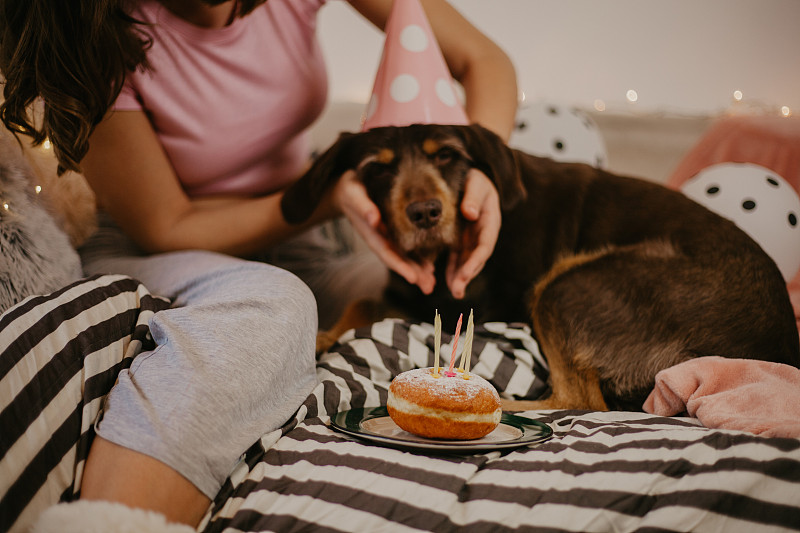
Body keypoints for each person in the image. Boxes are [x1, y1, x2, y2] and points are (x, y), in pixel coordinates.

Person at [0, 0, 518, 529]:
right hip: (162, 245)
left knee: (410, 293)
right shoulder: (97, 31)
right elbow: (167, 224)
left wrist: (484, 170)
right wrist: (325, 198)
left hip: (303, 239)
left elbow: (485, 60)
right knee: (278, 302)